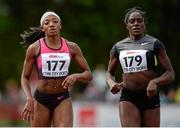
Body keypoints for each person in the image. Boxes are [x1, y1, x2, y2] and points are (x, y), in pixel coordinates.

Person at [20, 11, 93, 127]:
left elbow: (89, 75)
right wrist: (29, 99)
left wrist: (75, 76)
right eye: (47, 23)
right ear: (42, 28)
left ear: (60, 25)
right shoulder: (34, 48)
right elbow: (24, 77)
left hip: (62, 98)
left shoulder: (71, 47)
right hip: (41, 99)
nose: (51, 25)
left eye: (55, 21)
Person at [106, 7, 175, 127]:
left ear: (144, 24)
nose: (136, 24)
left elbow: (170, 73)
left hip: (150, 96)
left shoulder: (155, 44)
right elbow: (109, 73)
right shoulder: (118, 47)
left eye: (139, 20)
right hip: (129, 96)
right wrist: (111, 83)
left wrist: (155, 82)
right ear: (127, 25)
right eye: (132, 21)